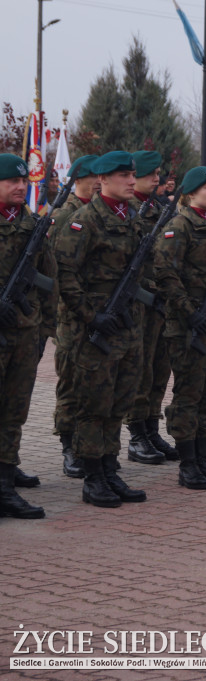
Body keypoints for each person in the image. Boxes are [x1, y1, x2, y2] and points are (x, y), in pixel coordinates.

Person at [54, 150, 147, 508]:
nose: (130, 181)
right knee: (94, 405)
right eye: (123, 175)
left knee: (119, 402)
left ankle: (110, 469)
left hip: (126, 327)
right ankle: (93, 477)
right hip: (94, 333)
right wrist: (91, 316)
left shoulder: (133, 218)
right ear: (103, 180)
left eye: (131, 175)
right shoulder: (83, 221)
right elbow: (66, 274)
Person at [152, 165, 206, 491]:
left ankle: (203, 458)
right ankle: (187, 462)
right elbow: (166, 276)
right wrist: (191, 314)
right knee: (189, 394)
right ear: (190, 194)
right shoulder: (180, 227)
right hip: (189, 326)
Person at [0, 154, 53, 518]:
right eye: (11, 182)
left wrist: (45, 329)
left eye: (24, 182)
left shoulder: (30, 223)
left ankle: (4, 483)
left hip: (23, 332)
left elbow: (49, 278)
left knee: (14, 410)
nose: (20, 187)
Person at [123, 150, 177, 466]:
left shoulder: (160, 208)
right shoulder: (129, 211)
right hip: (139, 303)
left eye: (158, 173)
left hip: (161, 302)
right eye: (150, 173)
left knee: (159, 369)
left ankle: (152, 428)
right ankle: (136, 435)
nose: (157, 178)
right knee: (140, 371)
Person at [49, 154, 100, 478]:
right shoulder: (64, 215)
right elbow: (57, 269)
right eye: (94, 176)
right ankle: (69, 447)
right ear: (77, 178)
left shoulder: (99, 214)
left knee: (94, 385)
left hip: (98, 313)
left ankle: (89, 447)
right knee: (70, 384)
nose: (99, 181)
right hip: (71, 315)